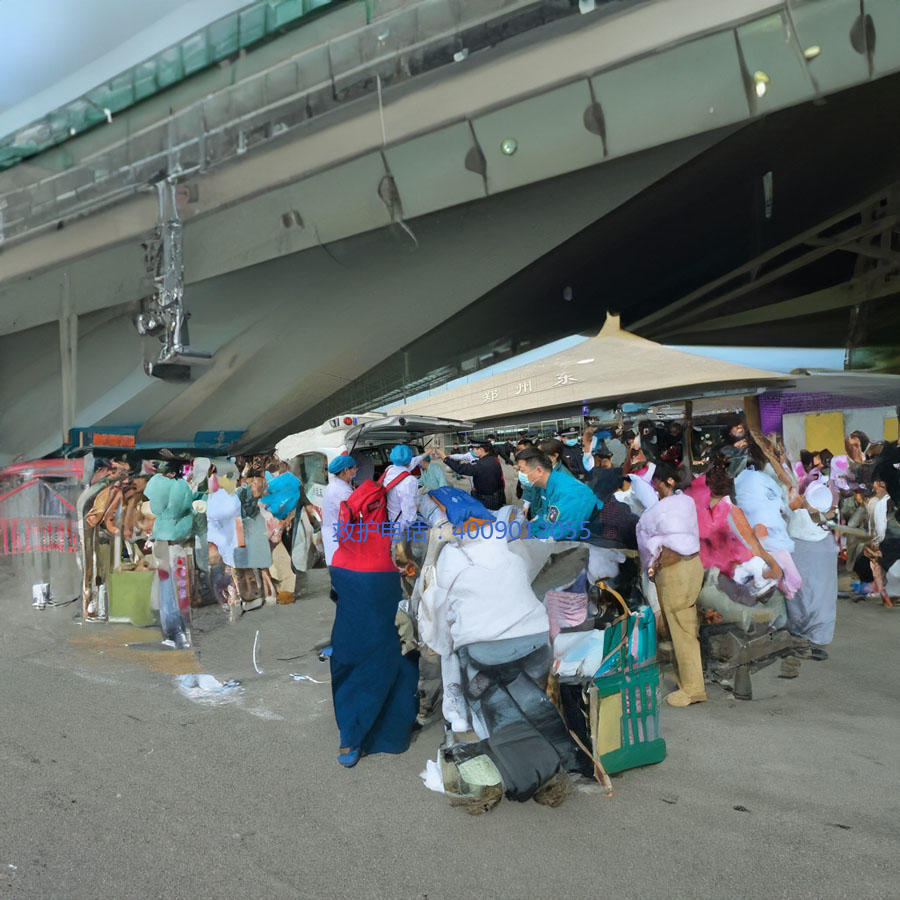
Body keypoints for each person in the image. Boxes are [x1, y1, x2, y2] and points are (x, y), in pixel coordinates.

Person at [329, 472, 419, 768]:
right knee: (391, 654)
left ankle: (351, 738)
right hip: (379, 576)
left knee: (350, 654)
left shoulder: (351, 515)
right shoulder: (392, 512)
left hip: (343, 570)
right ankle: (391, 733)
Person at [636, 463, 706, 707]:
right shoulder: (684, 503)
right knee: (682, 629)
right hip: (689, 567)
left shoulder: (673, 508)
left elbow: (672, 547)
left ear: (669, 482)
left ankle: (693, 688)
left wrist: (655, 566)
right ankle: (686, 682)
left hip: (677, 571)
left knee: (682, 631)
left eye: (657, 485)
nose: (655, 489)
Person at [515, 448, 601, 539]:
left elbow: (560, 534)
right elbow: (547, 517)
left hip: (594, 540)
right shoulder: (547, 486)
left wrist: (529, 539)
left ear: (539, 471)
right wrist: (529, 528)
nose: (520, 474)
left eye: (522, 470)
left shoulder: (568, 492)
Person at [323, 454, 358, 601]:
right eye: (353, 468)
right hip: (339, 535)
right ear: (345, 471)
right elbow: (352, 515)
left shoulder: (334, 485)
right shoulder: (343, 491)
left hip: (332, 532)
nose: (356, 470)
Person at [436, 440, 505, 510]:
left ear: (481, 450)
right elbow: (489, 478)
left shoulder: (481, 464)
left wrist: (444, 458)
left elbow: (461, 469)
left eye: (474, 449)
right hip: (496, 496)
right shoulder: (493, 460)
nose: (472, 451)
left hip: (488, 499)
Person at [382, 445, 420, 530]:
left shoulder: (389, 470)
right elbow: (409, 514)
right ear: (410, 459)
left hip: (388, 517)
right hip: (399, 524)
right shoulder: (409, 481)